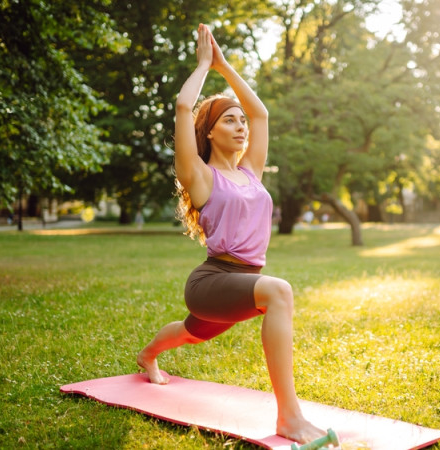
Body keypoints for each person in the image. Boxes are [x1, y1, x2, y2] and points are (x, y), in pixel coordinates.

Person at [136, 24, 326, 444]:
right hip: (213, 280)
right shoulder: (200, 177)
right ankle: (289, 418)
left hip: (237, 283)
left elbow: (262, 114)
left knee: (190, 332)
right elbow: (184, 108)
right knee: (279, 291)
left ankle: (147, 355)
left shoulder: (250, 173)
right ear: (210, 132)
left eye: (241, 121)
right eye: (230, 120)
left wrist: (225, 68)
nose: (242, 127)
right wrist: (204, 66)